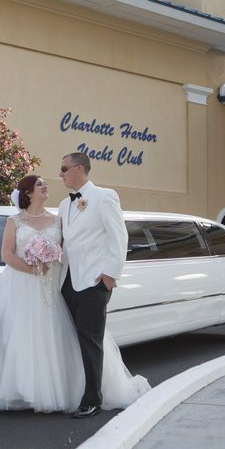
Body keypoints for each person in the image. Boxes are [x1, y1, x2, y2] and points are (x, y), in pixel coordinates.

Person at [0, 172, 149, 414]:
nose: (46, 186)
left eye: (45, 183)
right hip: (23, 286)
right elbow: (7, 255)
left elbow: (74, 247)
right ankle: (26, 392)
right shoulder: (14, 221)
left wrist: (104, 272)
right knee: (25, 337)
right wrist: (33, 269)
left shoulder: (58, 219)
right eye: (40, 184)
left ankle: (65, 391)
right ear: (27, 192)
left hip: (55, 285)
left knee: (56, 337)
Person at [58, 152, 148, 419]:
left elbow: (119, 238)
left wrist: (109, 276)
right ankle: (81, 392)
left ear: (79, 169)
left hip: (93, 283)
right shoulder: (64, 204)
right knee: (75, 342)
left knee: (91, 341)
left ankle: (92, 400)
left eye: (64, 168)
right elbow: (67, 242)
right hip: (68, 282)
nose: (60, 173)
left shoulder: (105, 196)